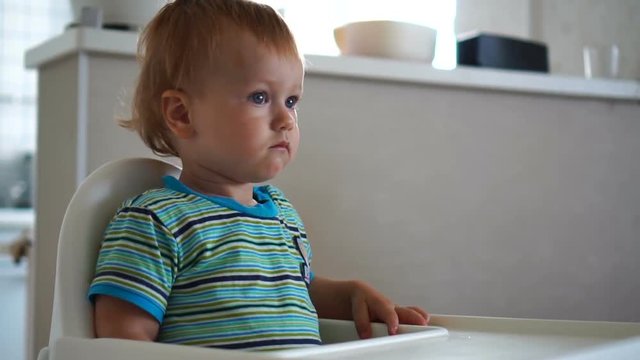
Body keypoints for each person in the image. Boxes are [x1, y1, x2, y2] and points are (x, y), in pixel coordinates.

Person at [88, 0, 429, 351]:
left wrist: (350, 296)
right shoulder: (154, 223)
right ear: (182, 114)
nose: (286, 120)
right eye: (260, 97)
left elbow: (293, 291)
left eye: (292, 101)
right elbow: (121, 344)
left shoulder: (282, 216)